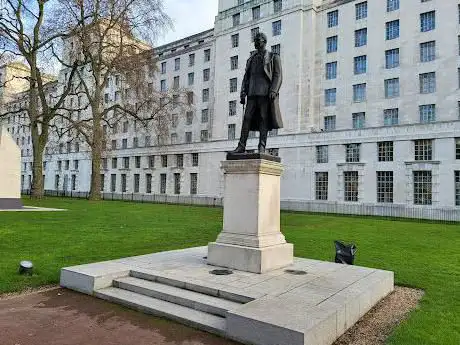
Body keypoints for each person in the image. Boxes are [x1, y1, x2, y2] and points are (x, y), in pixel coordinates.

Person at [231, 32, 283, 154]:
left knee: (263, 119)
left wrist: (274, 90)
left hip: (265, 94)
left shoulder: (273, 57)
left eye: (258, 40)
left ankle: (262, 147)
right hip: (252, 94)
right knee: (247, 119)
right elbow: (246, 77)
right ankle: (241, 146)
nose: (256, 42)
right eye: (255, 40)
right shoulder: (251, 59)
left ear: (264, 41)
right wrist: (242, 93)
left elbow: (278, 75)